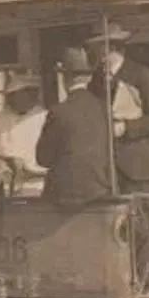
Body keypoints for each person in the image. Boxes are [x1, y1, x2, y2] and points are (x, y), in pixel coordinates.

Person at [83, 23, 149, 194]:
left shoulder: (141, 74)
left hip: (136, 167)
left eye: (99, 49)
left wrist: (126, 127)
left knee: (138, 217)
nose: (97, 55)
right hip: (105, 168)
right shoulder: (96, 81)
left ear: (113, 48)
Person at [35, 47, 114, 208]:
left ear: (65, 77)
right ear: (89, 77)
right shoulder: (103, 108)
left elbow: (43, 158)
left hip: (64, 195)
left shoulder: (59, 111)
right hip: (98, 191)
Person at [0, 72, 48, 195]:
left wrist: (29, 171)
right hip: (4, 188)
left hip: (35, 188)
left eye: (16, 95)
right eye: (11, 96)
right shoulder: (3, 117)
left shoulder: (44, 118)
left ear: (30, 94)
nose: (11, 100)